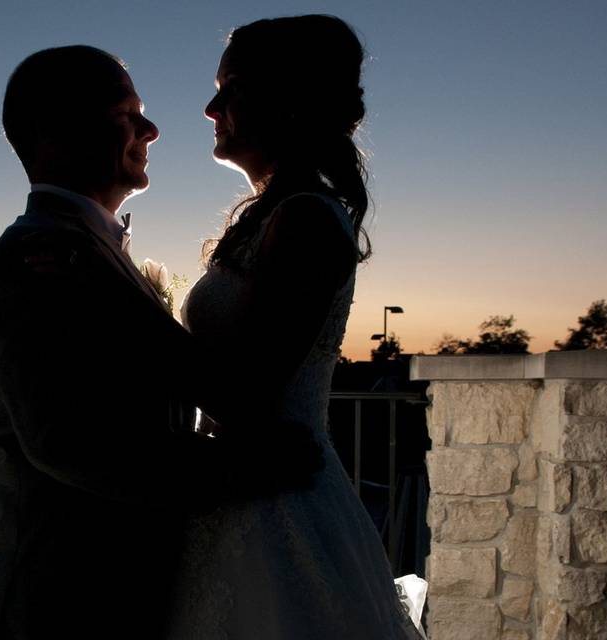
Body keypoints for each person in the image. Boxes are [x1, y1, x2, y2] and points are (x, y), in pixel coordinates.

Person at [0, 45, 323, 640]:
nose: (151, 129)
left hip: (129, 587)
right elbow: (70, 445)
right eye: (125, 113)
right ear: (50, 132)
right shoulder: (37, 257)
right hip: (66, 597)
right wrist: (249, 469)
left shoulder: (90, 250)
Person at [170, 16, 424, 639]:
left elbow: (241, 393)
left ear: (286, 99)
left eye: (228, 88)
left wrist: (127, 325)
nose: (210, 108)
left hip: (277, 508)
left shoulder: (307, 220)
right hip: (241, 493)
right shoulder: (276, 214)